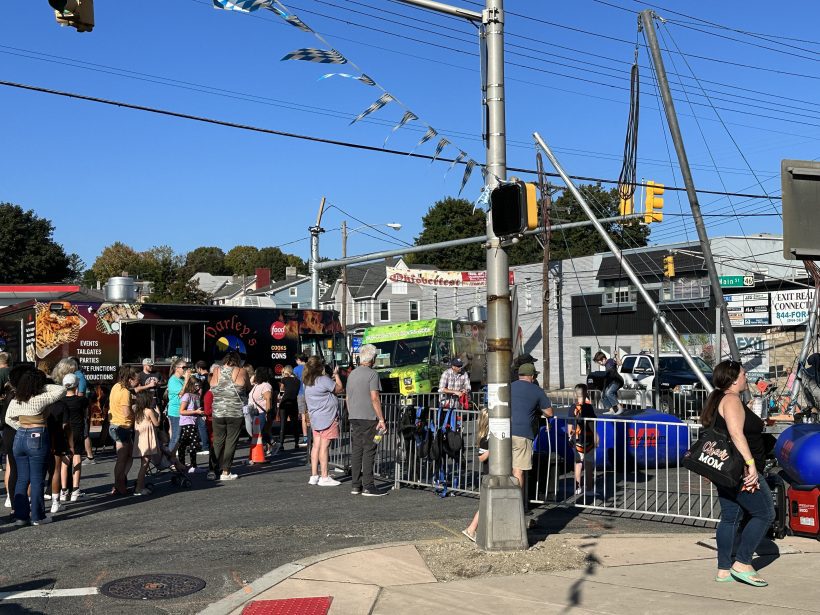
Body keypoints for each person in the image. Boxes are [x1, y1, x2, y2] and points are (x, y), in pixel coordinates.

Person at [702, 359, 774, 586]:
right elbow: (735, 434)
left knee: (731, 517)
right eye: (743, 374)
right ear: (733, 379)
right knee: (765, 514)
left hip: (727, 471)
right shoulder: (731, 400)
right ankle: (742, 562)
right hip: (741, 470)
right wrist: (751, 464)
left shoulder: (721, 399)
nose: (746, 377)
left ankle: (724, 569)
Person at [5, 369, 66, 525]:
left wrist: (20, 427)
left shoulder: (16, 400)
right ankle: (38, 516)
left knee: (22, 478)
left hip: (20, 437)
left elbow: (8, 419)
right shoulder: (41, 398)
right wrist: (42, 385)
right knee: (37, 478)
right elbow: (61, 389)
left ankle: (21, 516)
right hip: (37, 435)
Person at [346, 344, 387, 497]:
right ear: (373, 359)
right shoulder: (372, 374)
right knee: (369, 450)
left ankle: (355, 485)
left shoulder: (352, 374)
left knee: (357, 450)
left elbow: (348, 398)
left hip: (354, 415)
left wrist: (351, 412)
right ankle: (368, 486)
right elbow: (374, 397)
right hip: (368, 417)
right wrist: (381, 419)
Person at [510, 363, 553, 500]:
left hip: (503, 432)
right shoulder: (536, 390)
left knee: (504, 469)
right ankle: (517, 504)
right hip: (523, 434)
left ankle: (504, 501)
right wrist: (537, 410)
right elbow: (549, 412)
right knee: (518, 470)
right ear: (532, 376)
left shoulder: (508, 387)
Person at [132, 391, 187, 495]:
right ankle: (139, 488)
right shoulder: (149, 411)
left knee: (144, 464)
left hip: (141, 440)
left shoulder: (138, 411)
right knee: (144, 465)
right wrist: (159, 414)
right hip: (147, 441)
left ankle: (140, 485)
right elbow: (156, 423)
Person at [303, 356, 344, 486]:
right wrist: (336, 375)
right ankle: (324, 476)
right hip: (327, 417)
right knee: (324, 447)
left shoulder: (307, 382)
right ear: (320, 367)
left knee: (316, 446)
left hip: (315, 418)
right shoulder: (323, 380)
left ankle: (314, 475)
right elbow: (339, 389)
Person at [210, 352, 247, 481]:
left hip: (218, 412)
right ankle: (225, 472)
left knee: (217, 441)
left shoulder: (216, 370)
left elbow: (212, 387)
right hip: (235, 412)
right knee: (231, 441)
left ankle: (212, 471)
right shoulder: (241, 371)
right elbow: (247, 386)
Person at [2, 364, 32, 511]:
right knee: (23, 470)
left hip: (9, 433)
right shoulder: (19, 396)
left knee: (14, 468)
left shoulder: (10, 393)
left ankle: (14, 503)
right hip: (16, 432)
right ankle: (20, 503)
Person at [109, 366, 139, 496]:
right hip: (122, 426)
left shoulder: (116, 386)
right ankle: (119, 485)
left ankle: (120, 481)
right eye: (136, 379)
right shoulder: (125, 392)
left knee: (129, 455)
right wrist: (136, 413)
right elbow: (126, 413)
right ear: (130, 378)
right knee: (122, 459)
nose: (137, 382)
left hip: (116, 424)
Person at [462, 408, 489, 542]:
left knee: (487, 503)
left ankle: (473, 529)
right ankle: (471, 529)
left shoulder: (489, 437)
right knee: (485, 503)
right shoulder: (485, 439)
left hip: (490, 473)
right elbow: (481, 457)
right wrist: (492, 451)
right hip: (488, 473)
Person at [63, 373, 88, 502]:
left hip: (64, 431)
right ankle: (75, 489)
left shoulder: (61, 401)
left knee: (64, 458)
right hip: (77, 430)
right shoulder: (81, 400)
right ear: (76, 385)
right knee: (77, 456)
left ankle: (63, 490)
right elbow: (85, 412)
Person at [570, 383, 597, 496]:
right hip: (588, 439)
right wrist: (596, 435)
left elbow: (570, 424)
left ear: (575, 394)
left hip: (576, 440)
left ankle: (577, 487)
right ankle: (589, 489)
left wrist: (570, 436)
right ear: (586, 393)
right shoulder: (588, 407)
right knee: (588, 463)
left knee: (578, 463)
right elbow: (591, 422)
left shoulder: (572, 407)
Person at [178, 377, 206, 472]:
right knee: (193, 443)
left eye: (199, 386)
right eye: (196, 385)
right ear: (191, 385)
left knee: (184, 444)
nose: (198, 388)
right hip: (187, 422)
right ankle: (193, 466)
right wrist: (196, 412)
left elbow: (196, 409)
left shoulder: (196, 395)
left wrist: (200, 414)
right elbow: (181, 411)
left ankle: (183, 466)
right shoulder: (187, 395)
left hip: (193, 422)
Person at [248, 366, 274, 460]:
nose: (254, 374)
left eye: (256, 373)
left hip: (262, 413)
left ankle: (264, 450)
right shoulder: (257, 385)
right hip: (255, 413)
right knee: (257, 434)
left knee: (259, 434)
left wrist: (267, 413)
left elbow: (268, 400)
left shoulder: (266, 385)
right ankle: (271, 444)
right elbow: (250, 382)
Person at [166, 358, 188, 451]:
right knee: (176, 436)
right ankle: (169, 456)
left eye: (186, 367)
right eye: (183, 367)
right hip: (175, 412)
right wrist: (186, 380)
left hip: (183, 411)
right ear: (176, 368)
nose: (185, 369)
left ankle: (175, 458)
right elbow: (181, 393)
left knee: (182, 437)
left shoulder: (182, 379)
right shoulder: (173, 380)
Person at [278, 365, 301, 451]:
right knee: (295, 423)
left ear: (286, 371)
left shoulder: (284, 379)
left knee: (283, 424)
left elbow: (281, 390)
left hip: (285, 403)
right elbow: (296, 392)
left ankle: (281, 444)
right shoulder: (298, 381)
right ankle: (296, 443)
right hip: (294, 403)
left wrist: (280, 396)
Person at [594, 351, 624, 415]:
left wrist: (616, 356)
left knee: (609, 393)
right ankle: (611, 410)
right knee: (603, 395)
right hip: (611, 382)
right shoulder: (606, 365)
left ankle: (620, 408)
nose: (600, 364)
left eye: (600, 362)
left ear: (603, 359)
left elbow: (620, 364)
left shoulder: (610, 361)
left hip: (617, 380)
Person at [194, 360, 211, 455]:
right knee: (208, 424)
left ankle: (205, 447)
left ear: (199, 368)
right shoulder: (212, 376)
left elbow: (200, 392)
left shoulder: (201, 379)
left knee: (201, 425)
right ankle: (208, 445)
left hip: (203, 403)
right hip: (211, 402)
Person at [294, 354, 309, 447]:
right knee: (311, 415)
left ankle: (305, 437)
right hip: (311, 393)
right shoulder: (310, 367)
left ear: (299, 359)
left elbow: (295, 382)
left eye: (296, 360)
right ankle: (314, 435)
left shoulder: (296, 369)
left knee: (303, 417)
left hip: (300, 393)